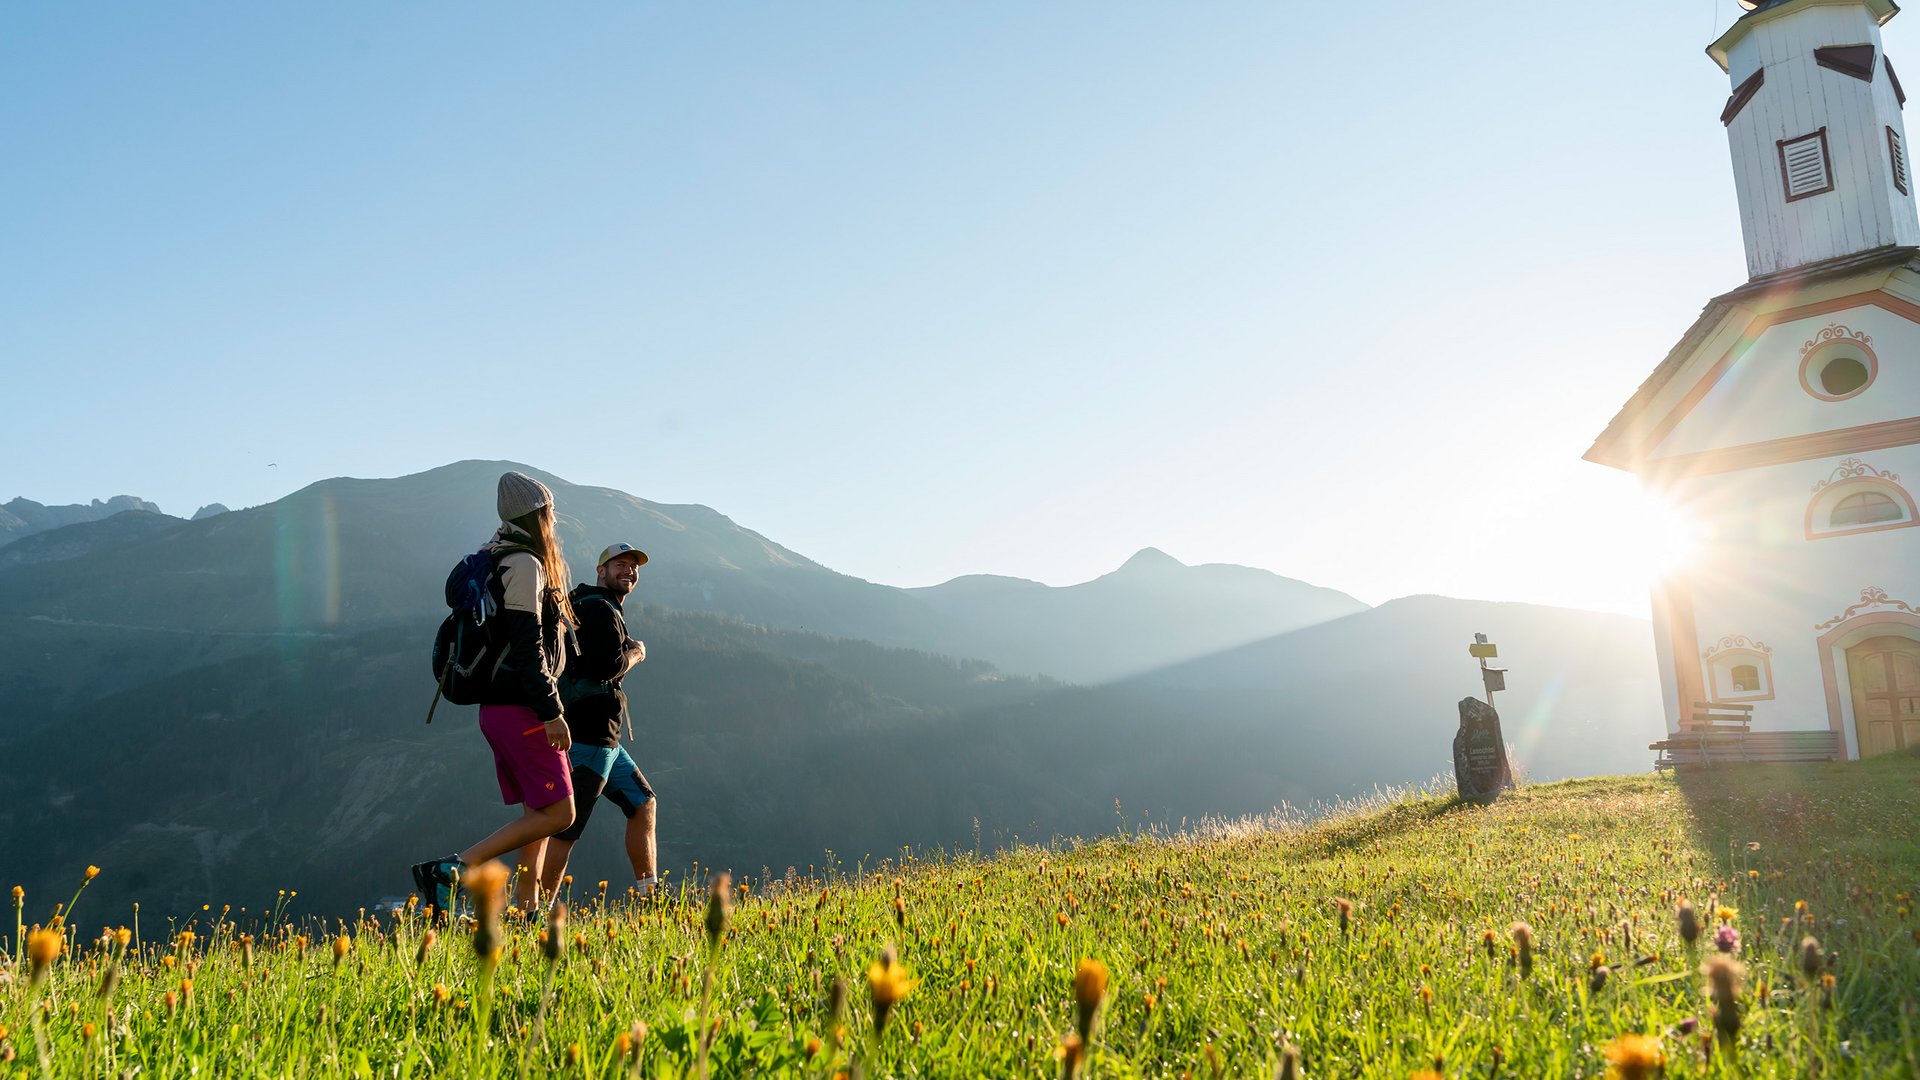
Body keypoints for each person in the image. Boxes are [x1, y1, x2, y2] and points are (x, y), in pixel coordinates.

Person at [411, 471, 577, 913]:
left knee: (537, 813)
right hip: (521, 709)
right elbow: (528, 648)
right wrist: (552, 711)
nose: (554, 522)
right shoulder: (524, 564)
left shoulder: (496, 553)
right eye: (550, 513)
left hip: (499, 709)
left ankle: (527, 908)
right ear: (539, 515)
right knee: (561, 814)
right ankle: (453, 868)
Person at [523, 541, 657, 909]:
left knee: (643, 803)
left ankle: (650, 896)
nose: (628, 570)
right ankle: (536, 913)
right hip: (588, 738)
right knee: (567, 828)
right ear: (601, 571)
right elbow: (607, 667)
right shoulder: (600, 609)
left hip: (607, 741)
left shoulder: (588, 604)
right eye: (620, 565)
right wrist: (636, 652)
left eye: (633, 566)